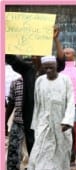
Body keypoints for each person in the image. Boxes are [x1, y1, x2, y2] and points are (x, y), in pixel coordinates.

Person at [4, 27, 65, 158]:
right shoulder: (27, 70)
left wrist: (56, 40)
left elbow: (61, 61)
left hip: (49, 117)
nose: (34, 56)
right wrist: (9, 37)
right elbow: (10, 57)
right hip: (30, 117)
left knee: (49, 148)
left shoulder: (50, 71)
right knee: (33, 148)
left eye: (37, 54)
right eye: (32, 54)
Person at [27, 56, 75, 170]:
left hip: (61, 124)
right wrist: (36, 125)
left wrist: (67, 121)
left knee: (61, 156)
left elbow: (71, 101)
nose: (49, 70)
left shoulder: (65, 80)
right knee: (41, 153)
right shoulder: (40, 81)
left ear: (56, 67)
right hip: (44, 124)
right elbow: (38, 104)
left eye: (51, 68)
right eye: (46, 68)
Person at [6, 77, 25, 170]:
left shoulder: (39, 81)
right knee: (13, 153)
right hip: (18, 122)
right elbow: (11, 103)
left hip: (34, 124)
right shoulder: (16, 83)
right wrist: (5, 121)